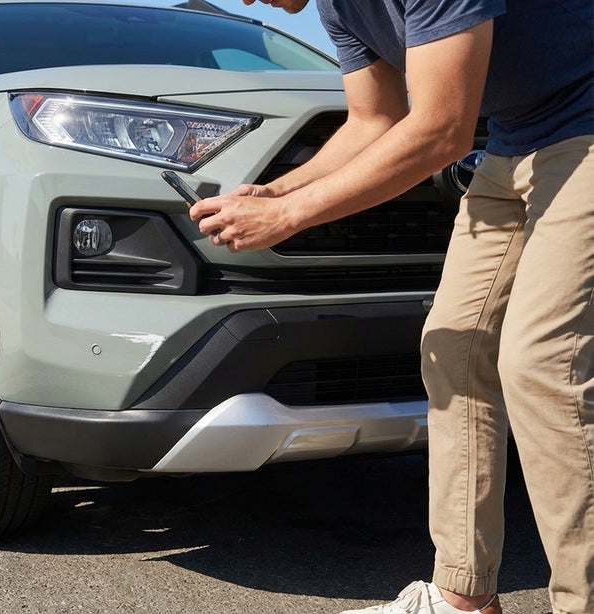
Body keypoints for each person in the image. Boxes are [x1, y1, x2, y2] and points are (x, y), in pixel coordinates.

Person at [189, 0, 594, 612]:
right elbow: (374, 118)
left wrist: (288, 215)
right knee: (452, 349)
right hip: (516, 143)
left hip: (586, 129)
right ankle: (463, 597)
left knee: (542, 363)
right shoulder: (337, 7)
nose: (244, 0)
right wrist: (275, 190)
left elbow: (442, 129)